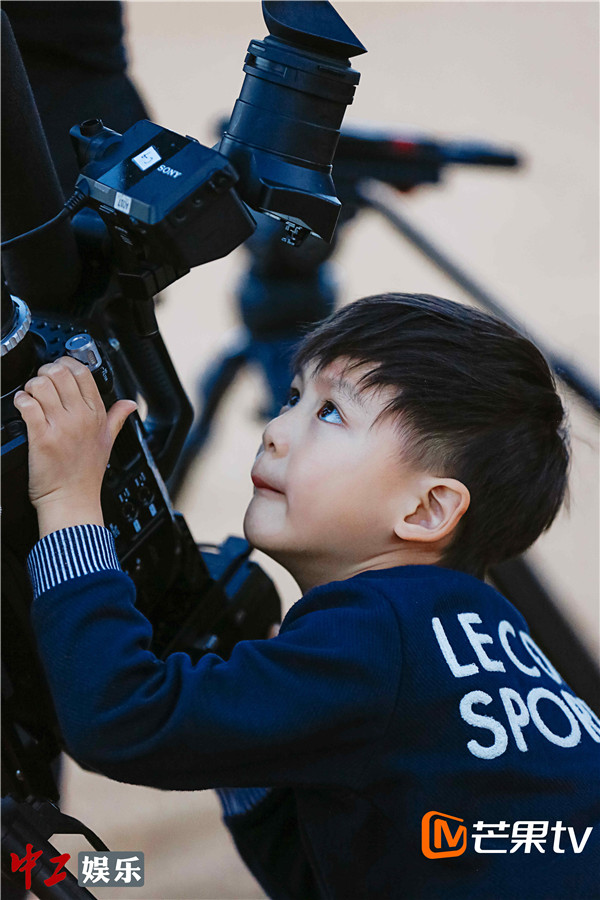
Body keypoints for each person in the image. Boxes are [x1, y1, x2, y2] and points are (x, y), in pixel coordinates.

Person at [14, 293, 599, 899]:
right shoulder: (486, 640)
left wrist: (68, 501)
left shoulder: (374, 637)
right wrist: (257, 733)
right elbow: (335, 875)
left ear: (426, 510)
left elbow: (121, 720)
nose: (275, 430)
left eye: (331, 413)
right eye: (294, 397)